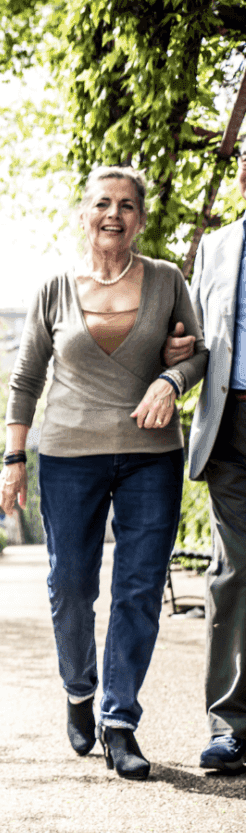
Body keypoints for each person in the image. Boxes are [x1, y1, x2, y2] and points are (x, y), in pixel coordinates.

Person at [0, 165, 207, 780]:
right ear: (84, 214)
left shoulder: (167, 281)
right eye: (102, 204)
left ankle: (120, 723)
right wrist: (14, 459)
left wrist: (171, 379)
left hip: (151, 455)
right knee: (70, 586)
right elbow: (26, 376)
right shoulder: (55, 289)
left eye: (126, 205)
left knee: (139, 589)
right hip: (67, 453)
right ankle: (80, 690)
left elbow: (196, 352)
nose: (113, 214)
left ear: (141, 218)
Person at [184, 139, 246, 773]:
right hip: (231, 425)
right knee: (233, 574)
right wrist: (175, 364)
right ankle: (230, 724)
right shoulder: (218, 246)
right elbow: (201, 341)